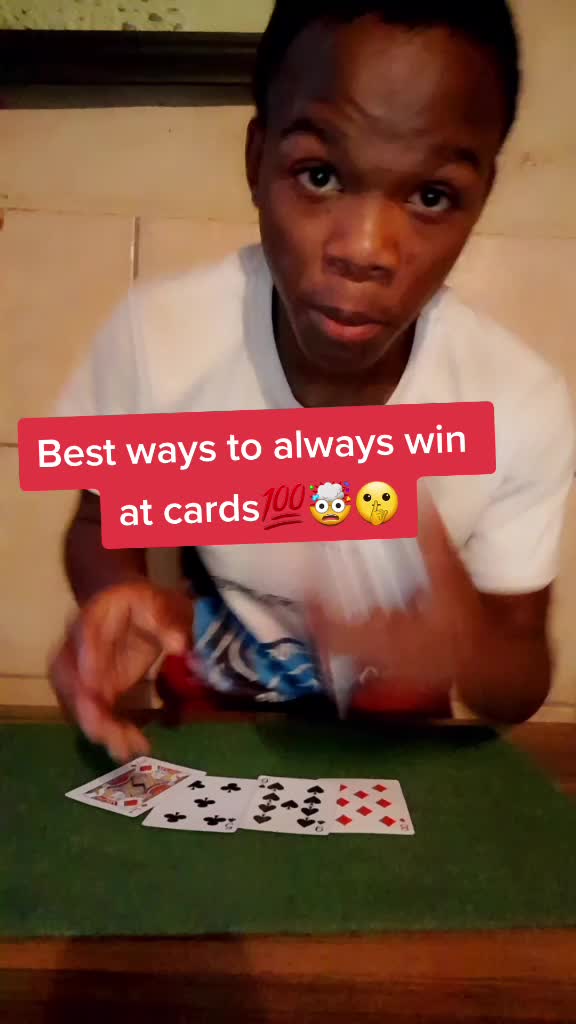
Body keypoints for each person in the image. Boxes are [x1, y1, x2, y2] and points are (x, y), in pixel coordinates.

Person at [50, 0, 575, 763]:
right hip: (208, 737)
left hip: (400, 756)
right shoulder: (158, 335)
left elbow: (519, 683)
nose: (364, 249)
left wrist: (469, 645)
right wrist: (113, 594)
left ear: (481, 198)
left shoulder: (522, 404)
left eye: (430, 196)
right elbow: (100, 521)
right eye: (320, 175)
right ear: (257, 159)